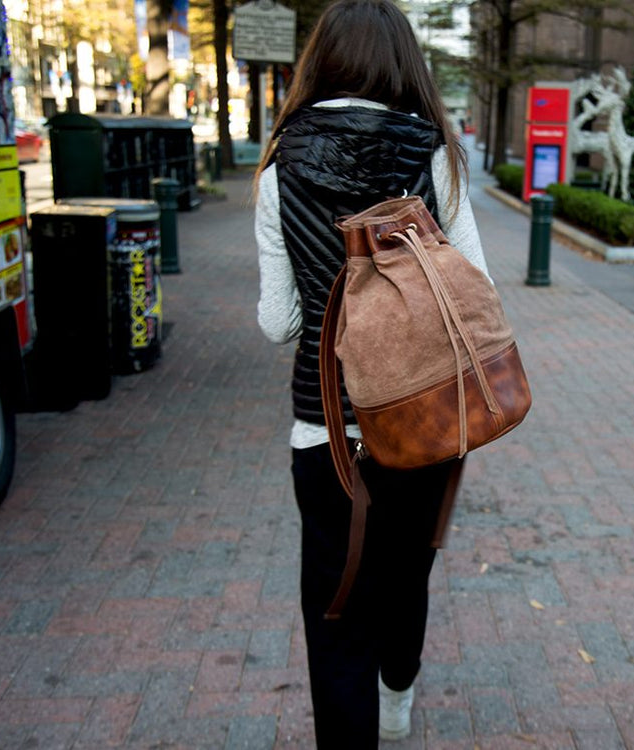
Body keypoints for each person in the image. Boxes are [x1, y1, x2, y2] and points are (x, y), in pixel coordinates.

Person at [253, 0, 491, 745]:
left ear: (319, 60)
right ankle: (398, 696)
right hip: (422, 423)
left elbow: (279, 325)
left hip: (323, 432)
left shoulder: (278, 165)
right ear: (402, 63)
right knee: (407, 571)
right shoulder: (436, 157)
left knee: (335, 609)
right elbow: (475, 290)